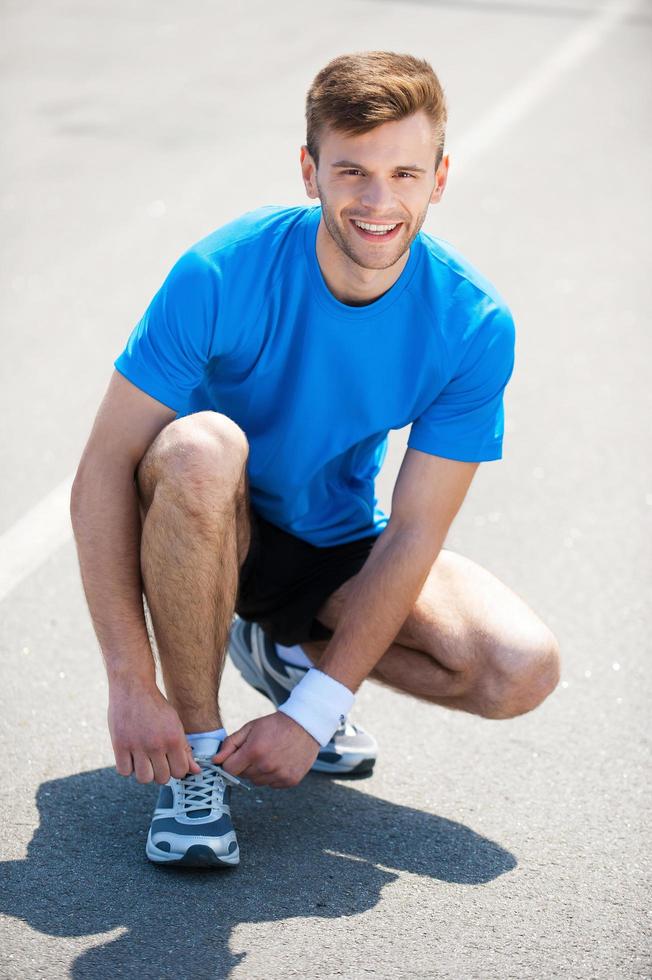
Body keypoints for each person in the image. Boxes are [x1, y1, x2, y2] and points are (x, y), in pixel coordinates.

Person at [70, 50, 560, 869]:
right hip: (203, 521)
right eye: (352, 170)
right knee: (201, 444)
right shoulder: (220, 272)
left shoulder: (472, 324)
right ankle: (194, 758)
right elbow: (100, 473)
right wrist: (130, 680)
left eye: (405, 172)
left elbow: (412, 533)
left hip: (332, 538)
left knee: (520, 669)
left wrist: (316, 710)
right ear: (310, 171)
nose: (379, 200)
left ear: (439, 179)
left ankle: (288, 659)